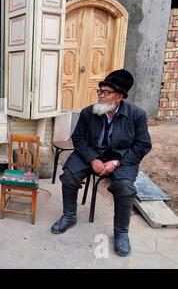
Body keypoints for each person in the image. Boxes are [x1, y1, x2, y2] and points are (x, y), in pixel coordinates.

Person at [51, 69, 152, 256]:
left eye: (107, 92)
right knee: (69, 176)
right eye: (100, 91)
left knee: (125, 187)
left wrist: (117, 162)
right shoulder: (88, 112)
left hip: (121, 158)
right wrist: (92, 159)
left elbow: (143, 145)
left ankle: (121, 233)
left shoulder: (137, 115)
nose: (101, 96)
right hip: (91, 154)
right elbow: (78, 138)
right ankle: (69, 216)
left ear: (119, 97)